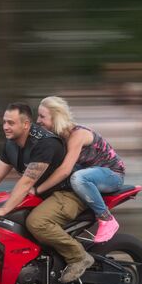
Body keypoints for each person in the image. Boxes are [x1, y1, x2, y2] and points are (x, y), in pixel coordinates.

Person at [0, 102, 94, 283]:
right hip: (42, 194)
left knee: (36, 222)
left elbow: (26, 182)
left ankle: (78, 256)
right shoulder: (11, 145)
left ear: (25, 124)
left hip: (68, 193)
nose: (5, 127)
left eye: (11, 123)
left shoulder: (45, 143)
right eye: (4, 122)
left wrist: (3, 209)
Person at [33, 96, 125, 243]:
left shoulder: (77, 135)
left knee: (78, 178)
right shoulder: (59, 138)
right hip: (91, 174)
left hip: (112, 175)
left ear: (56, 118)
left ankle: (106, 218)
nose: (37, 120)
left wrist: (37, 190)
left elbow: (65, 170)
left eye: (42, 116)